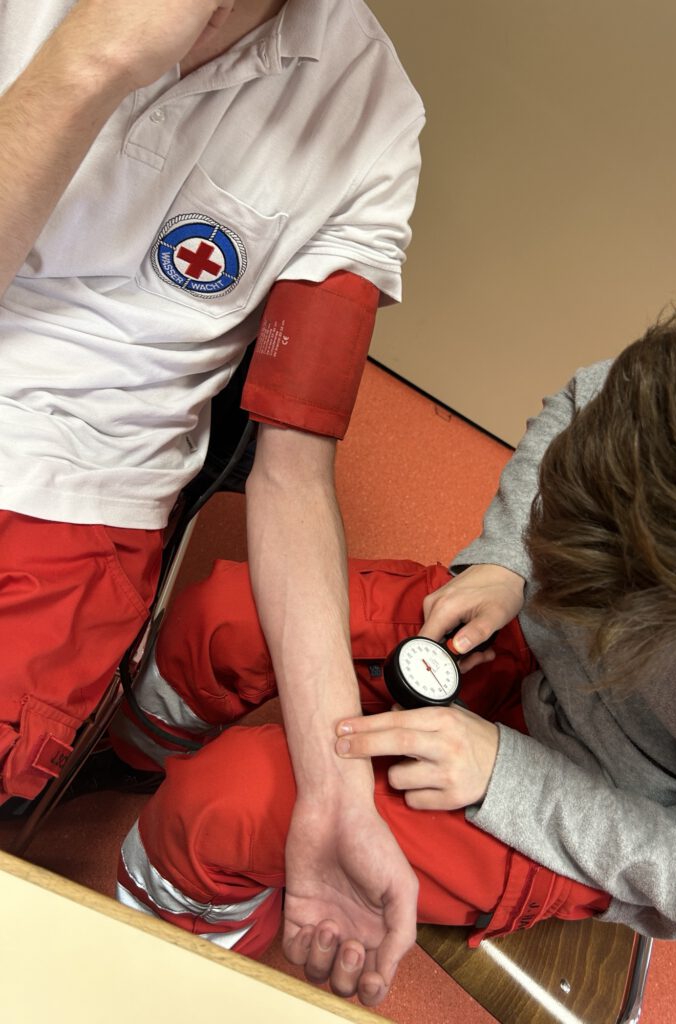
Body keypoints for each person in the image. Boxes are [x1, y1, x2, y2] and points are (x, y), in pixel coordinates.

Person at [115, 268, 676, 1007]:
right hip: (518, 628)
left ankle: (173, 954)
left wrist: (506, 777)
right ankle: (136, 758)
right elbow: (581, 400)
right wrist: (506, 562)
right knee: (224, 618)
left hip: (588, 796)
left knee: (225, 808)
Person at [0, 0, 426, 1005]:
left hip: (81, 498)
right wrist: (92, 60)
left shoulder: (370, 114)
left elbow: (292, 470)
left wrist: (334, 787)